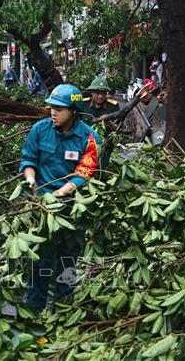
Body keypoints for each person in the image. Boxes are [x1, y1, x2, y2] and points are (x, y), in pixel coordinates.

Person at [20, 84, 101, 314]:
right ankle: (33, 310)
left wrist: (59, 194)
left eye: (59, 109)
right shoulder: (40, 130)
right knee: (40, 261)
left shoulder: (89, 138)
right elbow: (28, 159)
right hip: (43, 209)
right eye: (51, 108)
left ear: (74, 110)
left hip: (71, 210)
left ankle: (63, 312)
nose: (53, 112)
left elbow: (84, 173)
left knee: (67, 261)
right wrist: (30, 180)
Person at [83, 77, 120, 173]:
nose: (100, 96)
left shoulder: (113, 106)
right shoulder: (83, 104)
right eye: (97, 93)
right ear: (91, 92)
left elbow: (117, 129)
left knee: (102, 171)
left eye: (103, 93)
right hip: (84, 144)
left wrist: (110, 124)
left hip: (105, 146)